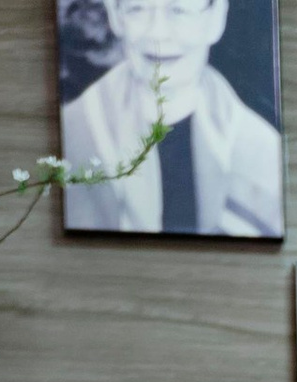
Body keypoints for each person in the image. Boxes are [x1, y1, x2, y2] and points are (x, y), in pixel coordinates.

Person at [61, 0, 282, 237]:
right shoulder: (74, 136)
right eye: (138, 9)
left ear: (216, 17)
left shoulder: (261, 153)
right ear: (116, 16)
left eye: (181, 9)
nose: (158, 33)